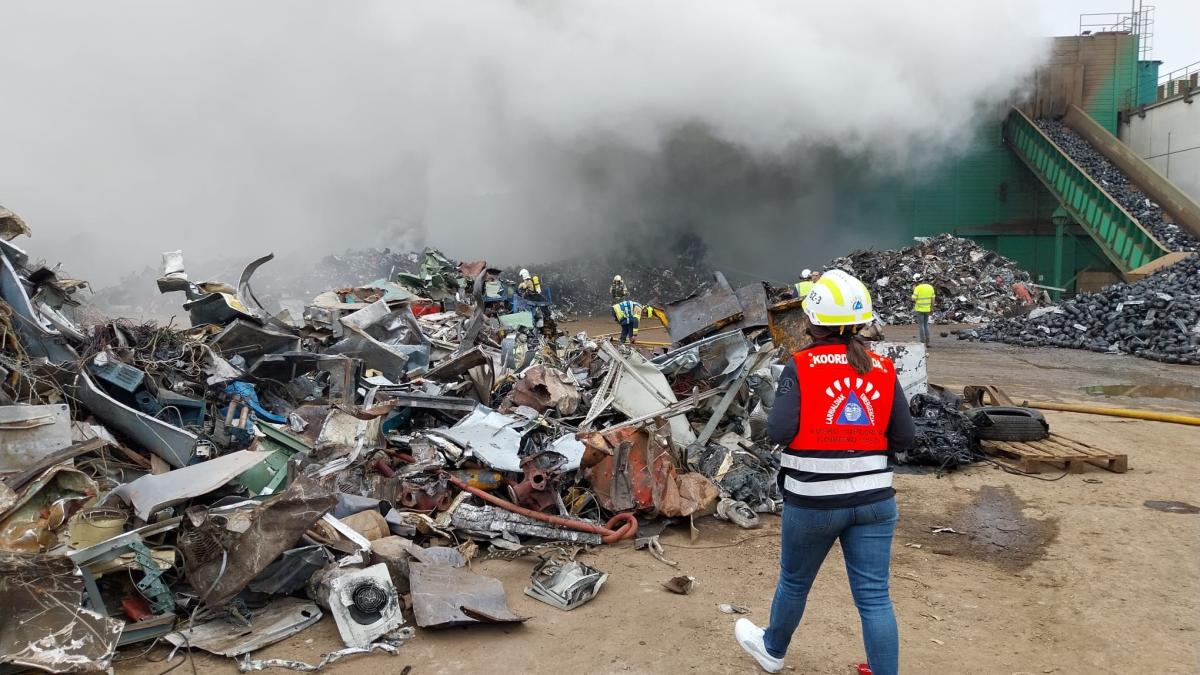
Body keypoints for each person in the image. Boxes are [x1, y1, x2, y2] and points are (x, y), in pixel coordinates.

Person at [734, 269, 915, 675]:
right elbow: (905, 437)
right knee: (874, 597)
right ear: (859, 321)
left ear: (811, 321)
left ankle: (773, 650)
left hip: (813, 502)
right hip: (875, 502)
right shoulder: (883, 367)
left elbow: (779, 432)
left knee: (795, 582)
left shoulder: (801, 366)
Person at [912, 278, 935, 346]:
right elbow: (933, 299)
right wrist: (932, 308)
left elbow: (913, 299)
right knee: (926, 325)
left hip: (919, 309)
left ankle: (922, 342)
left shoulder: (917, 288)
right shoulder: (930, 287)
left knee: (921, 325)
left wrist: (914, 290)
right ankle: (927, 342)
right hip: (927, 309)